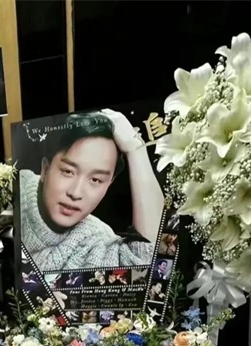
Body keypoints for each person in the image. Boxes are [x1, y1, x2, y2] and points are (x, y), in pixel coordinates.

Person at [20, 110, 164, 271]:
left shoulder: (97, 240)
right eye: (68, 172)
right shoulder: (15, 189)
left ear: (109, 185)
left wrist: (136, 148)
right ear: (45, 169)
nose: (75, 193)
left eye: (95, 180)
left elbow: (149, 267)